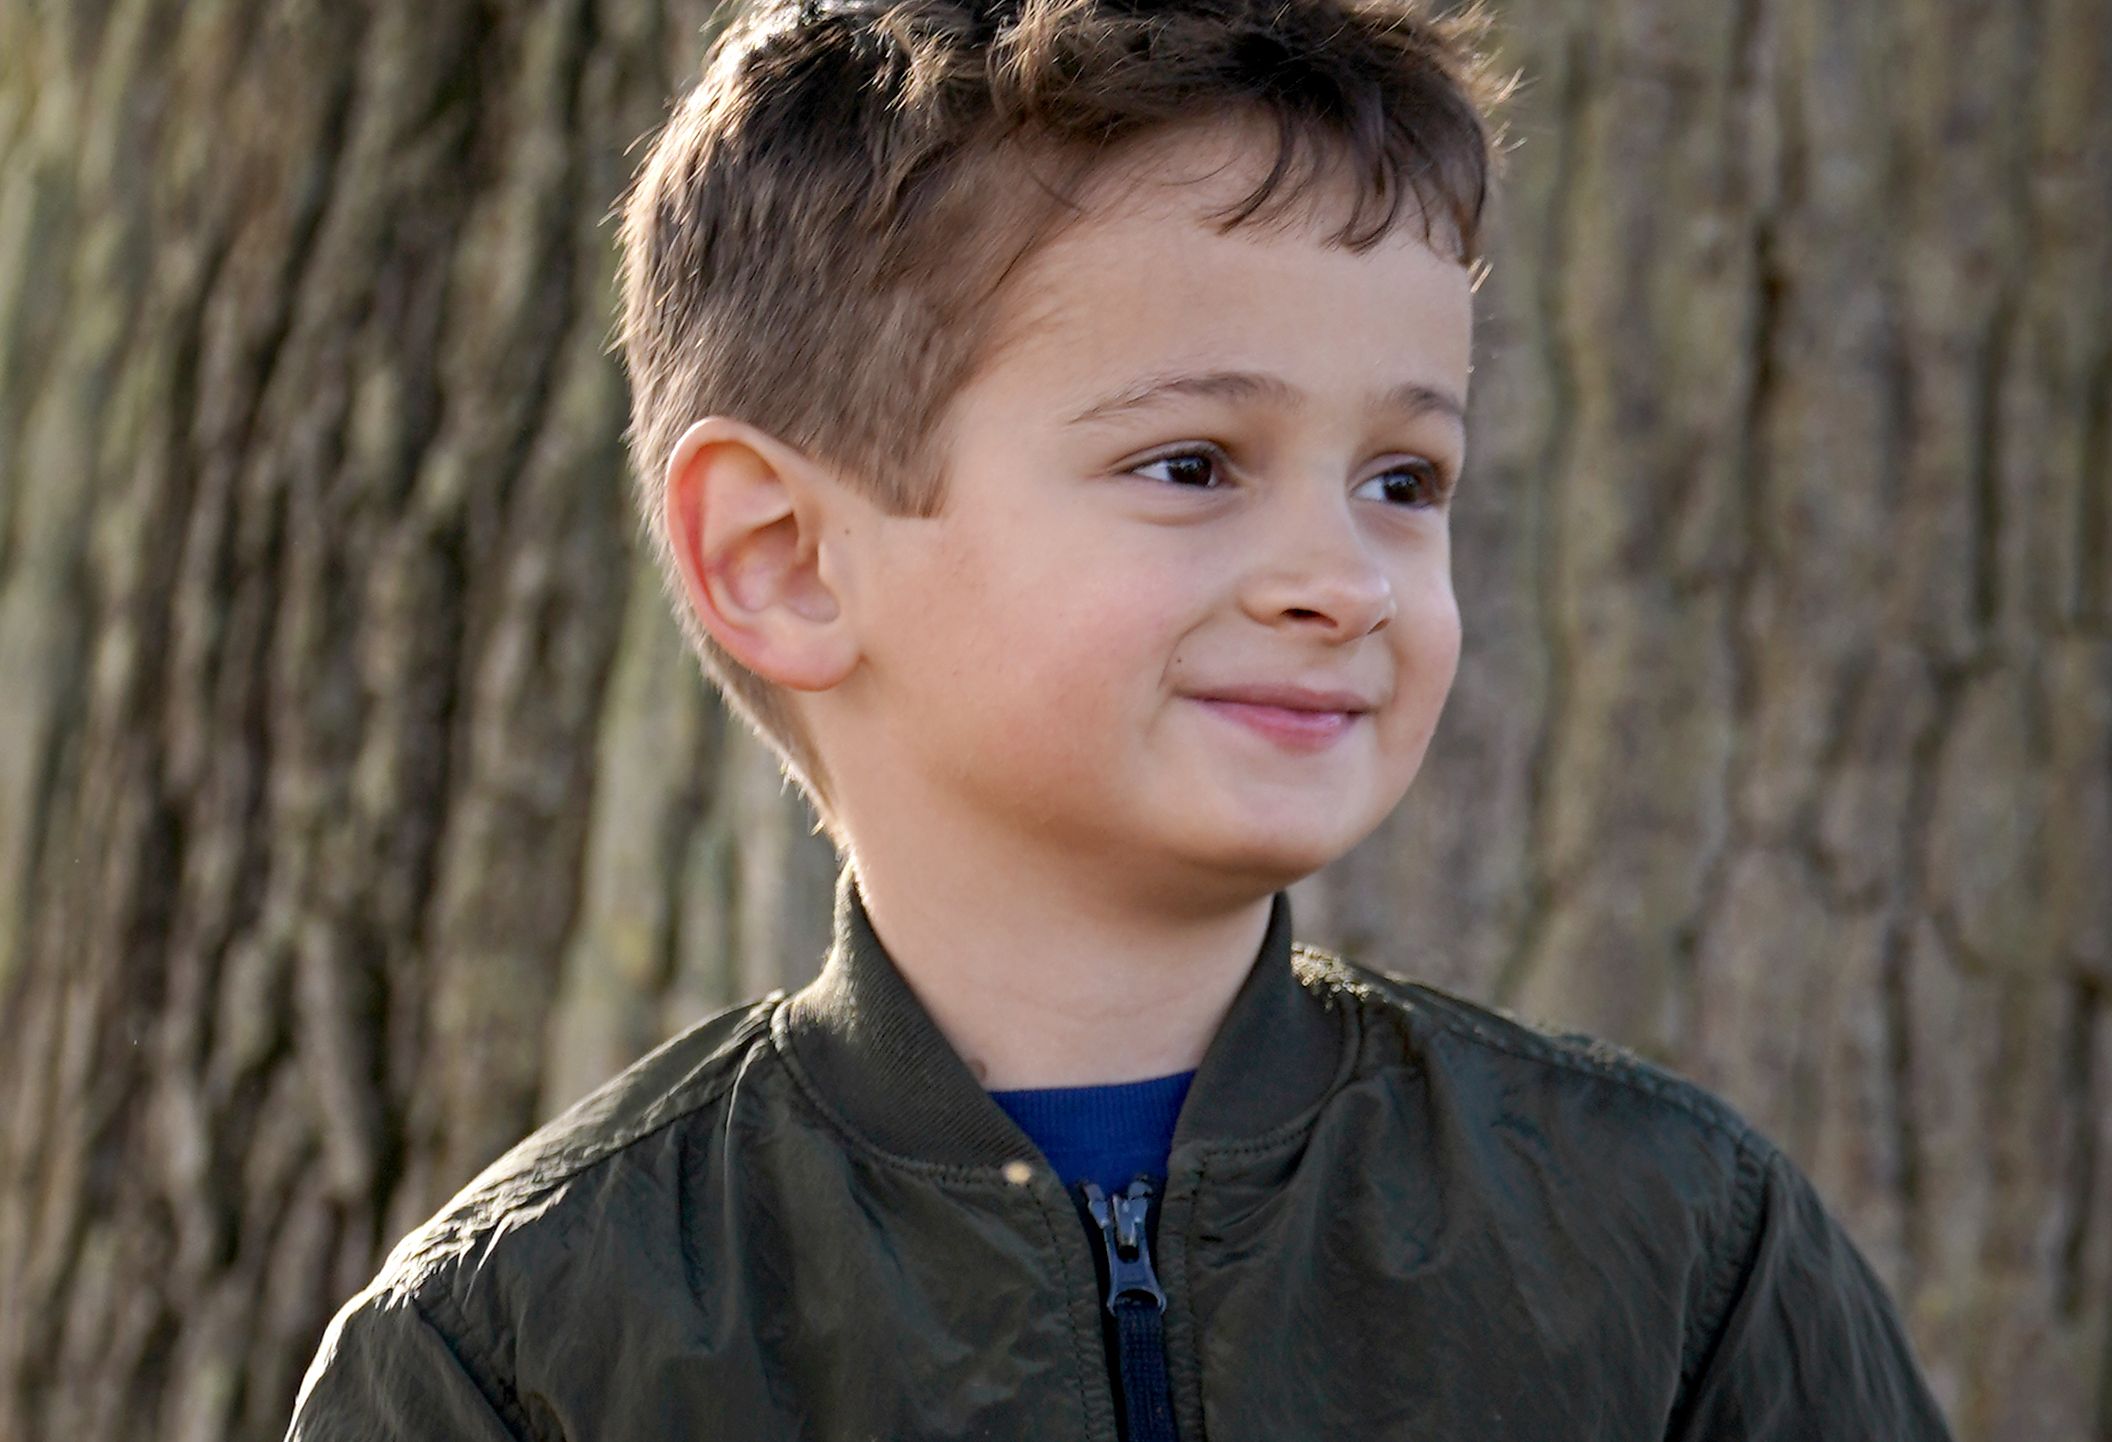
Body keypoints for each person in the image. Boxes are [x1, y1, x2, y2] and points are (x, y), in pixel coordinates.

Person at [287, 0, 1956, 1437]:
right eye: (1191, 464)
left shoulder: (1669, 1248)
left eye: (1402, 478)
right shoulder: (520, 1350)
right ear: (785, 557)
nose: (1344, 579)